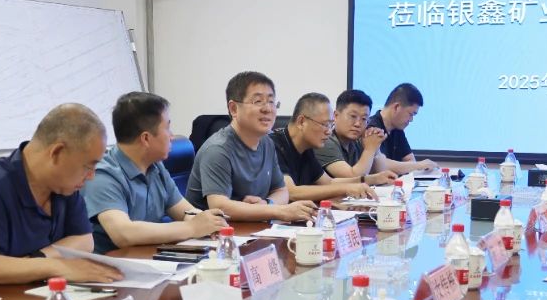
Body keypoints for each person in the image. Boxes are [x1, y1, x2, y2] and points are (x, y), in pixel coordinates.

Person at [0, 103, 121, 294]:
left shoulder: (63, 186)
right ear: (56, 152)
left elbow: (84, 241)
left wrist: (38, 258)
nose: (91, 176)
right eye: (88, 166)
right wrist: (57, 266)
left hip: (30, 296)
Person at [82, 91, 227, 252]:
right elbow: (123, 234)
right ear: (146, 138)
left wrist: (209, 222)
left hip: (149, 258)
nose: (172, 136)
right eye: (167, 128)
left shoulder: (155, 166)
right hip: (111, 262)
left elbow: (185, 212)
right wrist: (192, 228)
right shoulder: (102, 175)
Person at [184, 71, 316, 223]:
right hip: (212, 234)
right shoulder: (218, 149)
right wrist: (279, 211)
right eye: (258, 101)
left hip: (251, 230)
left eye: (271, 101)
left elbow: (281, 191)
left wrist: (267, 204)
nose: (267, 109)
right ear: (234, 109)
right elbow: (220, 206)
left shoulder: (267, 143)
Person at [268, 93, 376, 202]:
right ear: (301, 122)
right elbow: (290, 192)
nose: (329, 132)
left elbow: (329, 182)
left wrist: (370, 179)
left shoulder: (306, 147)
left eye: (330, 125)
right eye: (325, 125)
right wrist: (346, 189)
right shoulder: (273, 145)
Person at [314, 89, 395, 184]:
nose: (357, 124)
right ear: (335, 116)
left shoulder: (359, 140)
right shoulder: (325, 141)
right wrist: (370, 149)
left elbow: (382, 174)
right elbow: (354, 177)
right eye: (353, 116)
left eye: (364, 118)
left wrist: (375, 148)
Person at [368, 83, 436, 175]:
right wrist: (418, 165)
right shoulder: (372, 128)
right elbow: (379, 164)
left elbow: (410, 160)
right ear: (397, 107)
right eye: (411, 114)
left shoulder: (397, 128)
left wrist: (414, 165)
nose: (411, 120)